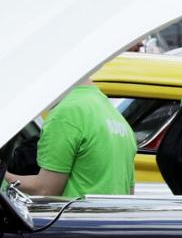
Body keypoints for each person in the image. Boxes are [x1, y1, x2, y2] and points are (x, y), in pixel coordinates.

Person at [5, 82, 135, 198]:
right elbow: (128, 192)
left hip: (73, 221)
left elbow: (46, 190)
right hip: (106, 222)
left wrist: (3, 177)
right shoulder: (114, 116)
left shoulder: (66, 114)